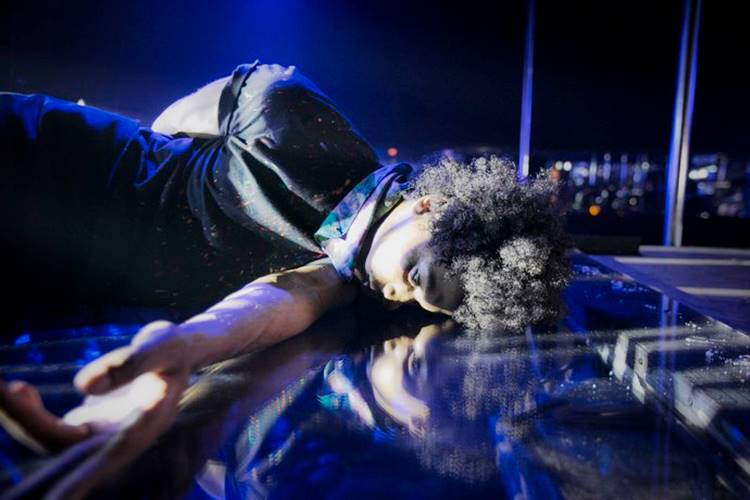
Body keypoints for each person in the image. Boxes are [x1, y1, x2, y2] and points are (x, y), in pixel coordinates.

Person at [0, 61, 569, 498]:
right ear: (431, 206)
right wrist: (165, 176)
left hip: (52, 270)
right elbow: (171, 123)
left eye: (421, 304)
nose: (398, 297)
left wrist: (184, 353)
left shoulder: (344, 272)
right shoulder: (295, 121)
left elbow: (281, 297)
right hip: (41, 164)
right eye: (416, 275)